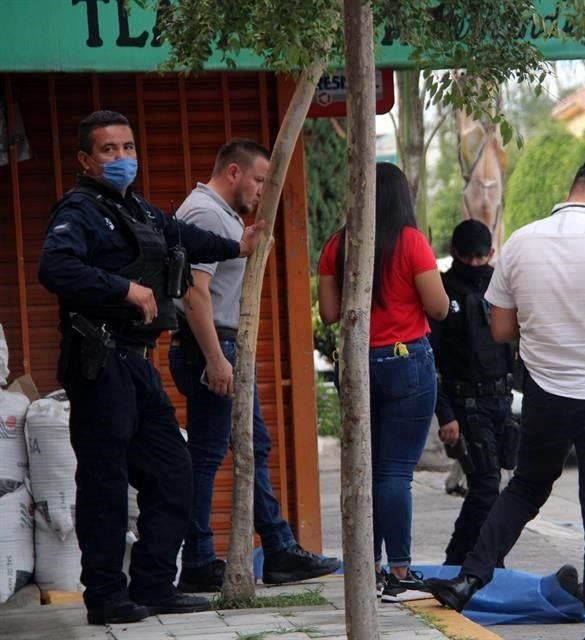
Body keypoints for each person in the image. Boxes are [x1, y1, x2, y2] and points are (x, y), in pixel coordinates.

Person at [425, 160, 585, 640]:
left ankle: (468, 578)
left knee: (523, 489)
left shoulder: (522, 240)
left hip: (546, 397)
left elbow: (501, 329)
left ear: (572, 189)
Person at [37, 110, 264, 625]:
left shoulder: (135, 208)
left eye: (128, 147)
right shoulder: (79, 211)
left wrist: (237, 246)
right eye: (108, 150)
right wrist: (123, 288)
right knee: (106, 483)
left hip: (138, 364)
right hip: (100, 362)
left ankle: (156, 583)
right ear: (86, 161)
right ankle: (107, 597)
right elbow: (56, 267)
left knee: (173, 472)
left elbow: (183, 235)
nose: (122, 158)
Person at [168, 140, 341, 593]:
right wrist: (215, 358)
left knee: (254, 446)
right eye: (260, 180)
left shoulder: (223, 216)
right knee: (207, 456)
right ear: (232, 172)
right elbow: (194, 294)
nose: (264, 191)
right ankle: (202, 559)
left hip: (226, 345)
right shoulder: (205, 214)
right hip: (210, 346)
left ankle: (279, 549)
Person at [316, 163, 449, 601]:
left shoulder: (337, 245)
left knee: (367, 471)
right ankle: (399, 571)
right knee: (395, 472)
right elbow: (439, 306)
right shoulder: (411, 242)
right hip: (407, 360)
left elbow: (331, 313)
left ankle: (367, 567)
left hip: (359, 364)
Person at [430, 219, 519, 567]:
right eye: (469, 259)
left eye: (482, 260)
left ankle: (485, 561)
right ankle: (460, 562)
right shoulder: (443, 292)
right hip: (465, 402)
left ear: (492, 254)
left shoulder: (503, 286)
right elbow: (430, 357)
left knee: (499, 486)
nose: (476, 266)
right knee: (484, 485)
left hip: (501, 399)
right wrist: (445, 413)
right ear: (455, 254)